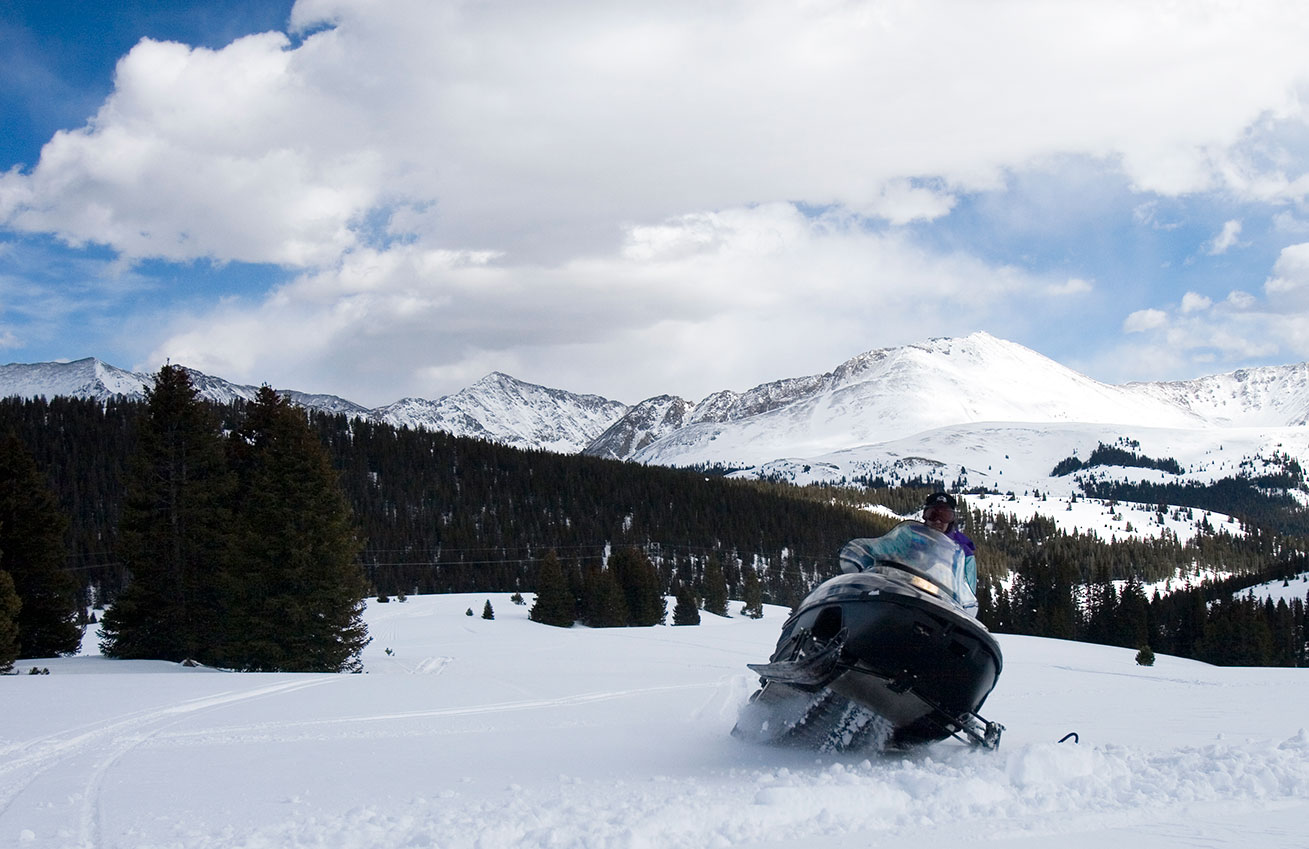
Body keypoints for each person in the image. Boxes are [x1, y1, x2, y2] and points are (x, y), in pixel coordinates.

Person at [922, 492, 977, 598]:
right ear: (925, 516)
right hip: (905, 592)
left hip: (943, 603)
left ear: (951, 520)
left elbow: (969, 592)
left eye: (945, 516)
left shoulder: (964, 551)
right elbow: (886, 550)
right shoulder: (909, 535)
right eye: (933, 515)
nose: (938, 521)